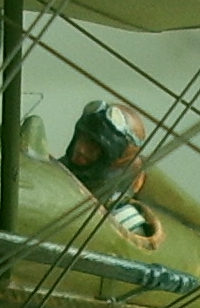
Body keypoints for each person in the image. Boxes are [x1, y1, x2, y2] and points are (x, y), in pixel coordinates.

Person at [61, 99, 160, 240]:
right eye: (82, 138)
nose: (82, 149)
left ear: (115, 159)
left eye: (94, 145)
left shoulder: (122, 222)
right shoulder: (53, 172)